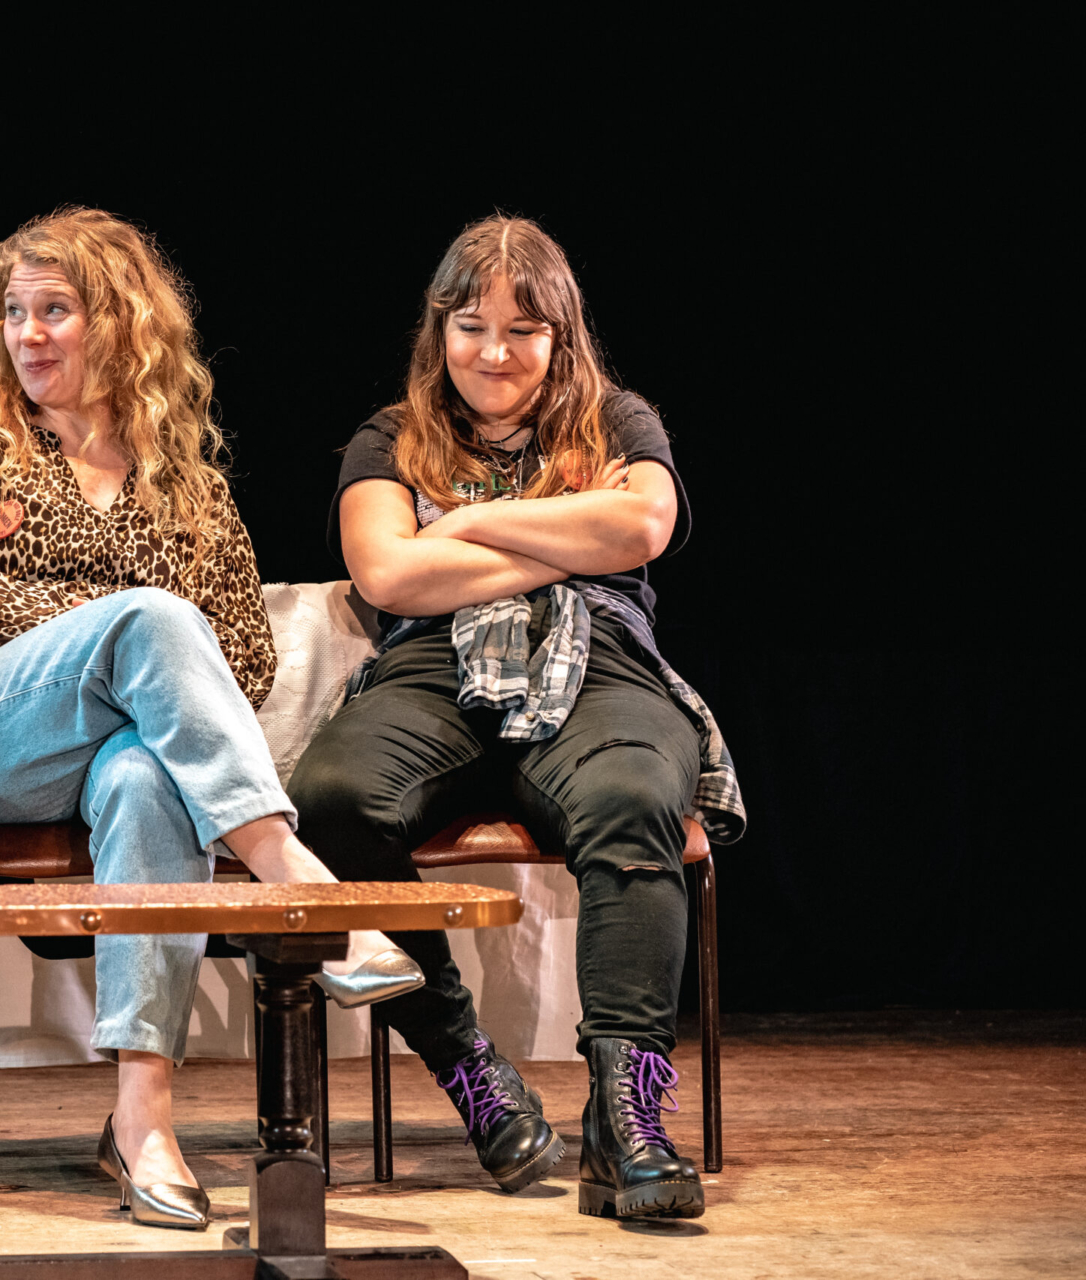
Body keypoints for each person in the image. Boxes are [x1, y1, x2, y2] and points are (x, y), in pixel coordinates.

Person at [0, 208, 422, 1231]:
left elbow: (248, 646)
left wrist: (145, 662)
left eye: (57, 310)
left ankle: (143, 1122)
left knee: (146, 774)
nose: (30, 334)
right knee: (150, 619)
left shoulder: (189, 485)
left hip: (124, 760)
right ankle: (301, 883)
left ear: (122, 324)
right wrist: (122, 640)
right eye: (16, 313)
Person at [289, 215, 744, 1220]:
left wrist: (464, 522)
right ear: (438, 328)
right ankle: (473, 1073)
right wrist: (564, 535)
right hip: (433, 667)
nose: (495, 352)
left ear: (562, 333)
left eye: (524, 329)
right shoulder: (389, 434)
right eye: (471, 325)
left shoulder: (620, 419)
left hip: (600, 660)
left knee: (634, 794)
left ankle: (628, 1118)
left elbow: (643, 525)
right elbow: (388, 569)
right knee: (328, 797)